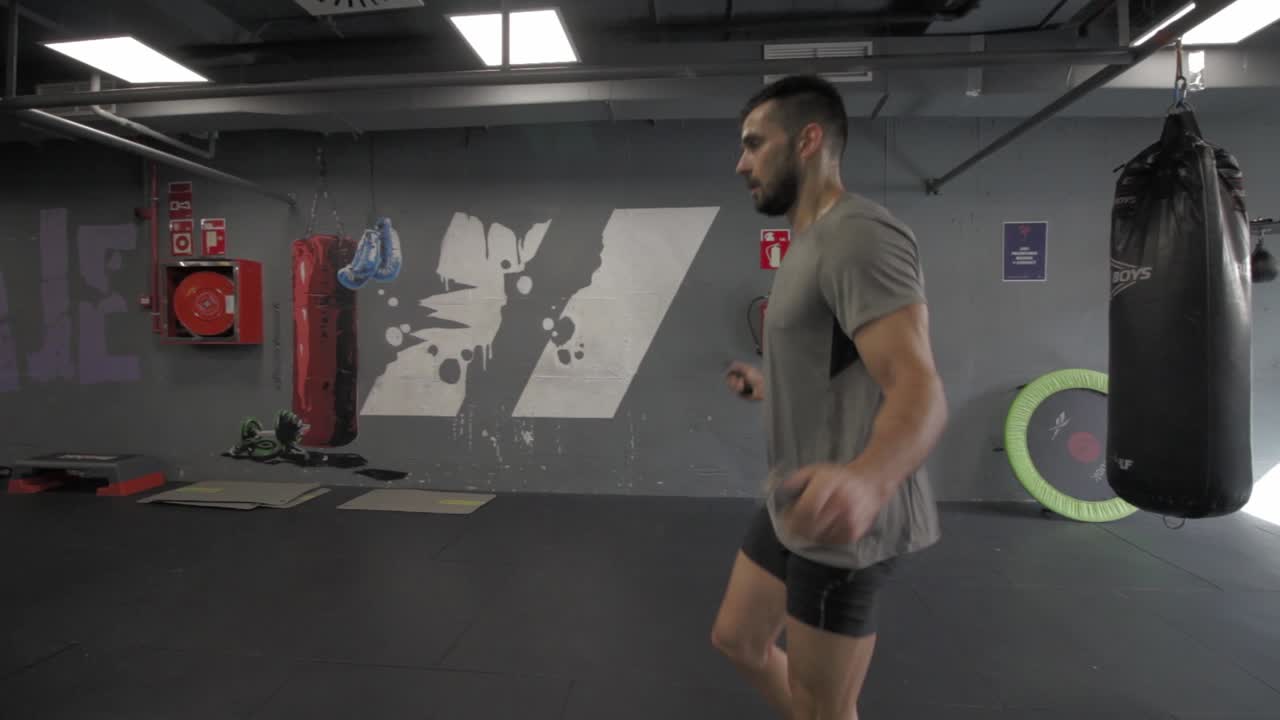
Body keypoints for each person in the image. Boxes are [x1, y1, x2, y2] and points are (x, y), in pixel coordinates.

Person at [712, 74, 948, 720]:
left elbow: (919, 385)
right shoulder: (806, 244)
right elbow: (841, 366)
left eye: (755, 144)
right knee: (738, 639)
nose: (742, 163)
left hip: (845, 519)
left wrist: (869, 482)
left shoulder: (858, 236)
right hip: (797, 493)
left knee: (824, 706)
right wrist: (769, 384)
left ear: (808, 140)